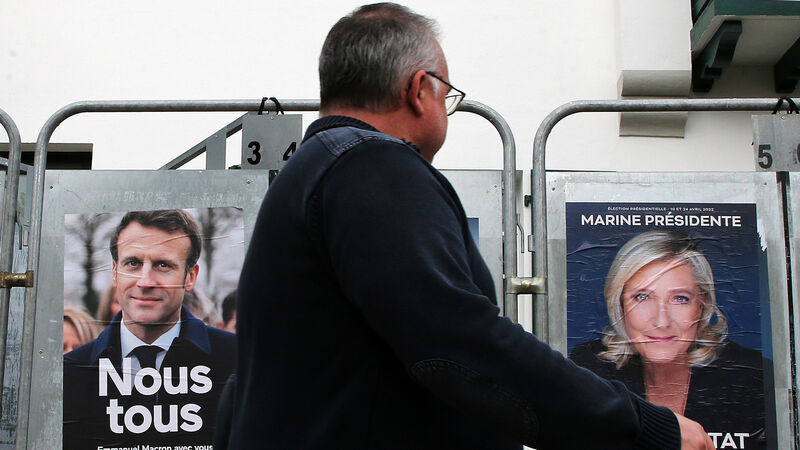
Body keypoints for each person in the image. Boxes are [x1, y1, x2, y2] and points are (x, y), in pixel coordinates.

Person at [231, 3, 713, 449]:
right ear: (419, 90)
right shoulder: (372, 167)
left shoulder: (309, 176)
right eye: (447, 95)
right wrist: (644, 427)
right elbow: (460, 345)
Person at [570, 230, 766, 446]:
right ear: (620, 305)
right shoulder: (590, 368)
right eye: (642, 297)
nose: (661, 321)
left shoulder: (751, 378)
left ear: (702, 306)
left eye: (680, 299)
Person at [63, 209, 236, 449]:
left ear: (190, 277)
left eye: (163, 265)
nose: (145, 282)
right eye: (133, 263)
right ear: (115, 272)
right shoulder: (70, 373)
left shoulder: (236, 361)